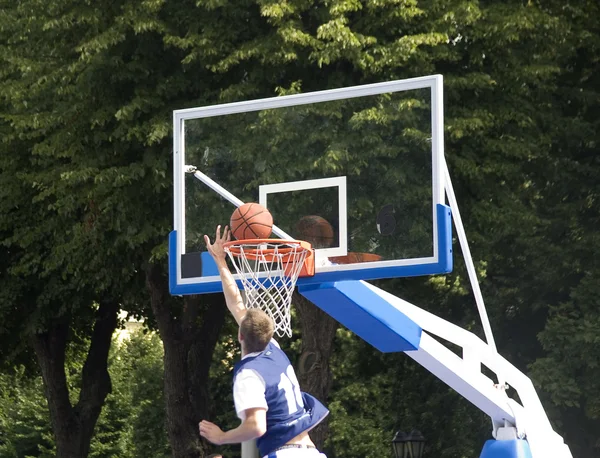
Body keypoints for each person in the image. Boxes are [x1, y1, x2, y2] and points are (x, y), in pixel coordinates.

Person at [199, 225, 329, 458]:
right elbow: (237, 305)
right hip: (311, 452)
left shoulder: (249, 373)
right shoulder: (275, 350)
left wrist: (222, 437)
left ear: (241, 335)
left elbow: (257, 426)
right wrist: (221, 261)